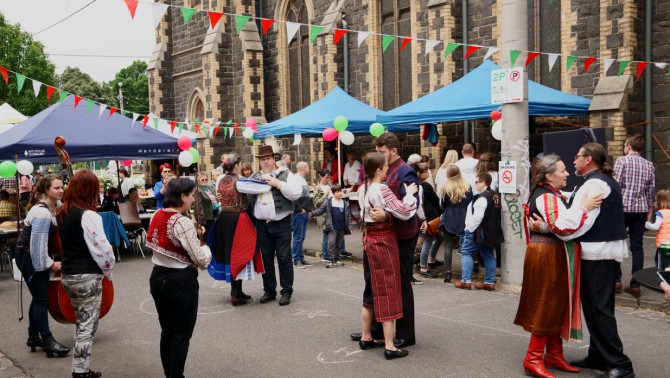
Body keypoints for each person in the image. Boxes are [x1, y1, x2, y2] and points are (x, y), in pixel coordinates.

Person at [515, 154, 602, 378]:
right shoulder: (547, 197)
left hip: (548, 251)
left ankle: (553, 355)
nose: (567, 173)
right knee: (546, 303)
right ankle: (532, 359)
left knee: (555, 303)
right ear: (549, 175)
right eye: (562, 171)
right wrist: (583, 207)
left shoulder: (549, 194)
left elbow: (554, 222)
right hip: (548, 253)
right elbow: (562, 226)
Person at [569, 142, 635, 378]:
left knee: (599, 309)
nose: (574, 160)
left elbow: (582, 219)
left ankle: (620, 363)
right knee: (596, 307)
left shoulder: (595, 183)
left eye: (578, 156)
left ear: (589, 160)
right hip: (599, 250)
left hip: (598, 251)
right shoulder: (598, 181)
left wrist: (557, 229)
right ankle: (599, 355)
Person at [146, 178, 212, 378]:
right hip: (179, 281)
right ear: (182, 196)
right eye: (191, 195)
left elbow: (168, 240)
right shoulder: (182, 221)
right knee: (181, 335)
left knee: (167, 331)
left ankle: (169, 373)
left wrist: (193, 233)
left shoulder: (157, 213)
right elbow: (202, 261)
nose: (193, 199)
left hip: (158, 277)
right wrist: (206, 247)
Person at [357, 151, 418, 360]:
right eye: (384, 168)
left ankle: (366, 336)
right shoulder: (381, 189)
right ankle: (390, 346)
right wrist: (409, 194)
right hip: (383, 240)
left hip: (368, 240)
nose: (387, 170)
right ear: (378, 170)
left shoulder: (361, 188)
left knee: (371, 289)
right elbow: (404, 211)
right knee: (388, 289)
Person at [57, 170, 116, 378]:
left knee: (81, 322)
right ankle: (80, 370)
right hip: (86, 275)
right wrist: (109, 269)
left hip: (68, 274)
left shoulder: (62, 213)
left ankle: (80, 366)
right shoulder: (89, 215)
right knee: (87, 325)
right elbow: (102, 248)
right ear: (89, 190)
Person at [237, 145, 302, 306]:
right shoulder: (254, 176)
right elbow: (242, 188)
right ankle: (270, 290)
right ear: (260, 162)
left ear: (274, 159)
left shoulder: (285, 174)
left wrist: (278, 184)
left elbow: (296, 193)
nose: (266, 162)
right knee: (265, 259)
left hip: (281, 224)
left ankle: (286, 291)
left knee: (284, 259)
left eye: (268, 158)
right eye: (263, 159)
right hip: (261, 225)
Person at [15, 174, 70, 358]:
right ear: (47, 190)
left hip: (34, 254)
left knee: (38, 297)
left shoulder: (58, 207)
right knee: (41, 298)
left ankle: (33, 337)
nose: (61, 190)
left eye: (62, 187)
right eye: (56, 188)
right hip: (28, 255)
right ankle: (47, 340)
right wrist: (50, 264)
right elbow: (37, 246)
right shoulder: (42, 212)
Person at [211, 153, 264, 306]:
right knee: (240, 253)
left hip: (224, 218)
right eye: (240, 165)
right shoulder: (239, 181)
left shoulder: (221, 179)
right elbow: (257, 188)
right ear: (236, 166)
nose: (241, 167)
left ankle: (237, 291)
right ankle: (235, 293)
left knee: (229, 253)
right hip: (237, 219)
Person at [613, 134, 656, 298]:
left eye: (625, 145)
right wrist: (650, 208)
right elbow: (651, 189)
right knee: (637, 247)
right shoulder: (649, 165)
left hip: (622, 208)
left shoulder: (622, 161)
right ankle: (635, 284)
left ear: (629, 146)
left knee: (617, 242)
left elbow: (616, 186)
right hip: (640, 209)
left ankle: (616, 280)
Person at [454, 172, 503, 290]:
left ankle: (466, 281)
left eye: (477, 182)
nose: (475, 184)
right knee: (489, 255)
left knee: (466, 252)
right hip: (491, 231)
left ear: (483, 183)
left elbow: (477, 217)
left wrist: (469, 230)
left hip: (478, 232)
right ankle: (489, 282)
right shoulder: (494, 195)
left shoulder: (482, 197)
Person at [438, 165, 472, 283]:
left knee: (448, 245)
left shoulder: (445, 188)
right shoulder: (467, 187)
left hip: (449, 217)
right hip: (464, 217)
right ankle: (468, 271)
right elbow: (470, 201)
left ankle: (448, 273)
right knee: (467, 245)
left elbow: (442, 205)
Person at [310, 184, 351, 267]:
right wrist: (312, 213)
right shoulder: (329, 201)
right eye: (337, 192)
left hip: (341, 227)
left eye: (341, 191)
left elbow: (348, 216)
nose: (340, 193)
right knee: (331, 243)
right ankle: (330, 260)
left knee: (338, 244)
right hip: (332, 226)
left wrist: (349, 227)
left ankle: (336, 259)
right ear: (333, 193)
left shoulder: (344, 203)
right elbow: (320, 210)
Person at [415, 163, 442, 278]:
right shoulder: (425, 186)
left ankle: (431, 260)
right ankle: (423, 267)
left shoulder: (418, 185)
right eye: (426, 171)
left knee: (439, 238)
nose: (428, 173)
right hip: (428, 217)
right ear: (420, 174)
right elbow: (436, 200)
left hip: (425, 216)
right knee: (428, 241)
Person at [290, 161, 312, 268]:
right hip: (298, 213)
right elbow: (293, 196)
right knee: (298, 237)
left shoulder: (302, 179)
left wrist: (308, 210)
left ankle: (300, 257)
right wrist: (299, 209)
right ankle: (296, 259)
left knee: (301, 237)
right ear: (303, 168)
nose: (309, 169)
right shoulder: (295, 179)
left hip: (304, 212)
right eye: (308, 167)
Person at [645, 190, 670, 269]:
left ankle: (662, 277)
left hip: (663, 244)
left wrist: (646, 224)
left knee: (659, 260)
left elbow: (655, 227)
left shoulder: (660, 213)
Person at [194, 172, 215, 241]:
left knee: (211, 237)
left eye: (206, 179)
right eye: (202, 180)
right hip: (204, 219)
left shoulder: (209, 188)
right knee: (206, 238)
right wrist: (201, 220)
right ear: (197, 180)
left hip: (212, 216)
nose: (205, 181)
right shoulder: (197, 190)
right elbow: (198, 206)